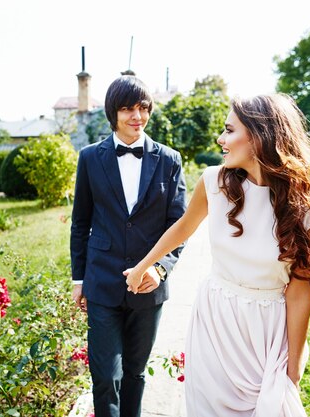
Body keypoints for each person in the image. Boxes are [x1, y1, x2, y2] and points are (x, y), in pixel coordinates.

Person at [125, 93, 310, 416]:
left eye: (229, 130)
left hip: (268, 332)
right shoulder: (213, 182)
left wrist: (293, 364)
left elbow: (301, 289)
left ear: (261, 136)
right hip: (214, 322)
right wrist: (143, 266)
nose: (221, 139)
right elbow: (182, 228)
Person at [70, 75, 187, 417]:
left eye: (143, 107)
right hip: (102, 284)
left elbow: (178, 227)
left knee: (135, 374)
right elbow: (81, 223)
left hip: (149, 288)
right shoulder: (90, 158)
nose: (137, 115)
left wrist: (161, 267)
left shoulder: (169, 161)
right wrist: (79, 280)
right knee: (105, 375)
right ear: (113, 113)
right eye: (127, 109)